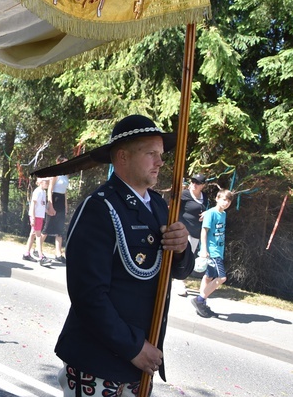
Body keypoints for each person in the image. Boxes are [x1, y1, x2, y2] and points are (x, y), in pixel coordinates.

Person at [53, 115, 194, 396]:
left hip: (139, 363)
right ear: (122, 157)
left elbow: (178, 271)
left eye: (161, 155)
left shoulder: (158, 205)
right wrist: (134, 348)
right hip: (99, 361)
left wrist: (181, 250)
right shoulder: (98, 208)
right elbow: (88, 295)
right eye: (151, 153)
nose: (160, 162)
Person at [191, 188, 234, 318]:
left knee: (208, 277)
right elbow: (204, 232)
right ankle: (199, 299)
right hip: (212, 251)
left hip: (218, 251)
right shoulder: (211, 213)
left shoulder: (223, 214)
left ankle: (202, 303)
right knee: (222, 278)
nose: (226, 203)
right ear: (217, 198)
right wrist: (204, 249)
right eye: (224, 200)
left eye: (229, 201)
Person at [174, 173, 209, 296]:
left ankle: (178, 280)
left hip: (195, 233)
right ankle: (179, 283)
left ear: (203, 185)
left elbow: (205, 209)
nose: (194, 184)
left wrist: (207, 213)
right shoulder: (184, 195)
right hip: (183, 231)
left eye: (198, 182)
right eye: (193, 181)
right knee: (181, 257)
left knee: (188, 258)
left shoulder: (204, 197)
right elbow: (174, 208)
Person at [41, 155, 70, 264]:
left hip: (61, 201)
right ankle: (38, 249)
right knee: (47, 227)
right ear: (59, 162)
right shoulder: (55, 174)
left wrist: (66, 206)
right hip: (55, 199)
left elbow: (65, 192)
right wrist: (50, 205)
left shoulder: (66, 175)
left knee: (60, 229)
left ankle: (58, 253)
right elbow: (50, 190)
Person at [22, 177, 51, 265]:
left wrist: (48, 212)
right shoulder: (37, 191)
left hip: (40, 216)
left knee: (32, 235)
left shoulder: (43, 192)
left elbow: (41, 205)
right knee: (38, 236)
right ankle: (41, 257)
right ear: (41, 182)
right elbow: (33, 205)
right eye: (46, 182)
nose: (48, 183)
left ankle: (26, 254)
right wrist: (33, 218)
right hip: (36, 216)